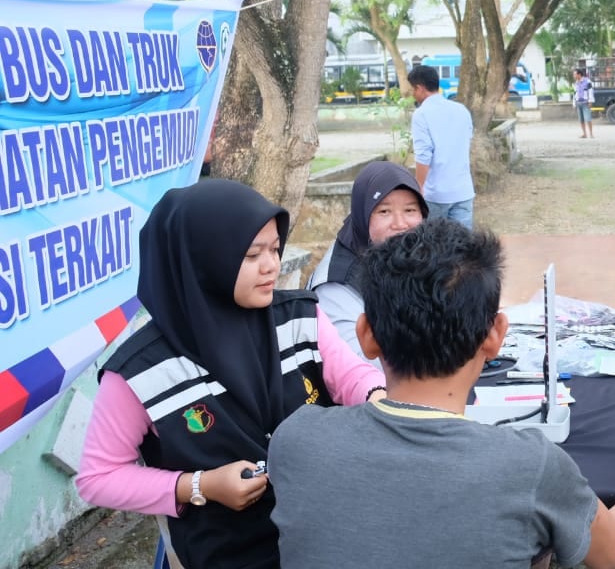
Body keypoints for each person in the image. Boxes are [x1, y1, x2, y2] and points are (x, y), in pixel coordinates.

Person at [269, 220, 615, 569]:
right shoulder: (530, 465)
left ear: (366, 336)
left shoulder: (296, 440)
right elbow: (614, 549)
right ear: (495, 337)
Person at [75, 180, 385, 569]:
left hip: (319, 536)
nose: (272, 265)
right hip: (224, 554)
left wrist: (379, 400)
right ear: (202, 261)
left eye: (274, 248)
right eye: (253, 254)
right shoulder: (140, 372)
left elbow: (352, 377)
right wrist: (198, 486)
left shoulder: (300, 318)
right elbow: (98, 477)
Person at [307, 161, 428, 363]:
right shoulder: (336, 286)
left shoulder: (415, 254)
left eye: (410, 211)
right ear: (363, 215)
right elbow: (358, 367)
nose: (400, 224)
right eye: (384, 212)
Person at [410, 64, 475, 228]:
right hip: (463, 191)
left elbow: (424, 155)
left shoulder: (421, 114)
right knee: (463, 247)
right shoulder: (462, 110)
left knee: (434, 247)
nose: (413, 94)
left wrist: (418, 188)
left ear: (420, 88)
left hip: (436, 194)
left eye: (413, 89)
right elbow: (466, 141)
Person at [574, 67, 595, 138]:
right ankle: (584, 134)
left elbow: (590, 91)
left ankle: (591, 134)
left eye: (575, 74)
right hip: (578, 103)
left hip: (585, 103)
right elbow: (575, 93)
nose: (574, 76)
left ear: (579, 74)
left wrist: (590, 101)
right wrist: (574, 103)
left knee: (588, 119)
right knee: (581, 120)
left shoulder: (587, 81)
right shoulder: (576, 83)